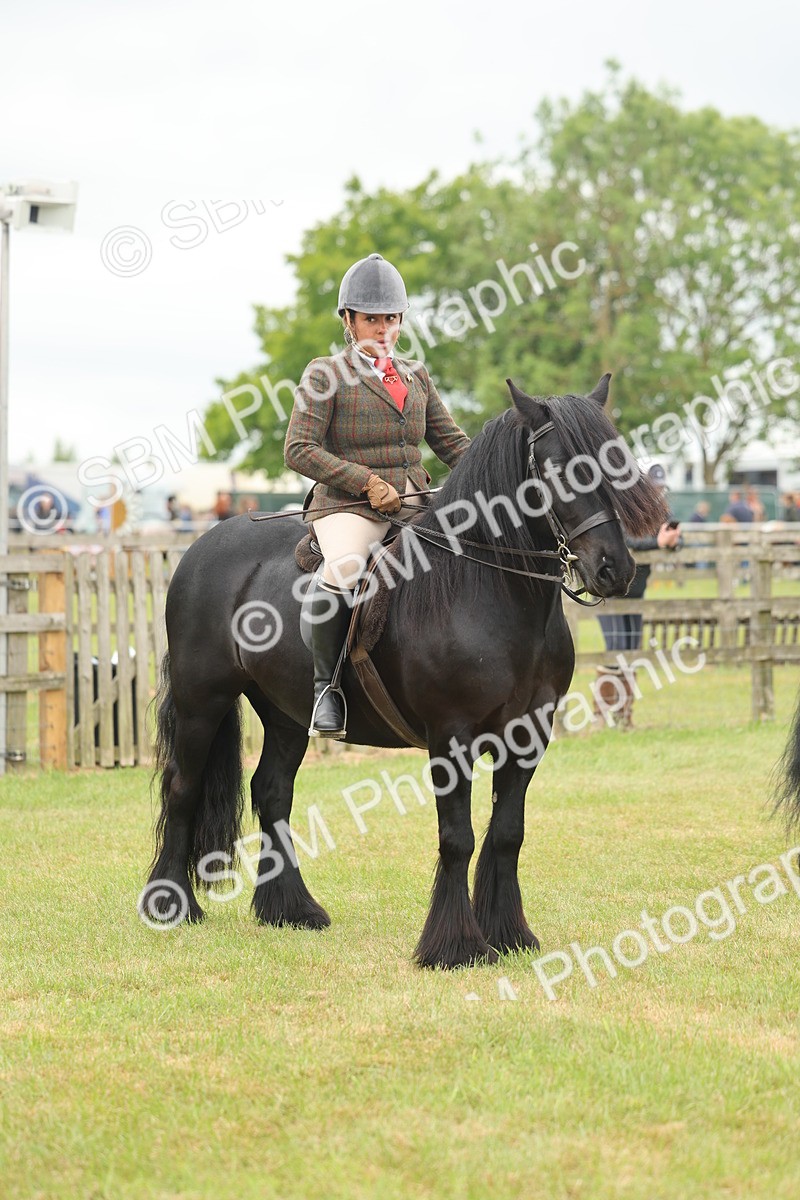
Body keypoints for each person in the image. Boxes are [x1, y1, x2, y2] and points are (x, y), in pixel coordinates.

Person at [284, 252, 471, 738]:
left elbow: (450, 443)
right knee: (345, 569)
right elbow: (298, 449)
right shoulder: (325, 373)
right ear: (348, 320)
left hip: (414, 500)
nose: (383, 329)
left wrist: (500, 467)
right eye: (371, 319)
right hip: (349, 505)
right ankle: (327, 689)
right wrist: (365, 481)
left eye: (391, 319)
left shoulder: (415, 374)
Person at [595, 463, 680, 728]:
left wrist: (673, 541)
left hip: (637, 591)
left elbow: (676, 538)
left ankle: (624, 715)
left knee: (631, 650)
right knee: (616, 649)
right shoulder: (626, 509)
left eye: (661, 488)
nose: (658, 493)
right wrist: (659, 543)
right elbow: (627, 540)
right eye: (654, 488)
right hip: (614, 592)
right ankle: (601, 715)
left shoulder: (661, 513)